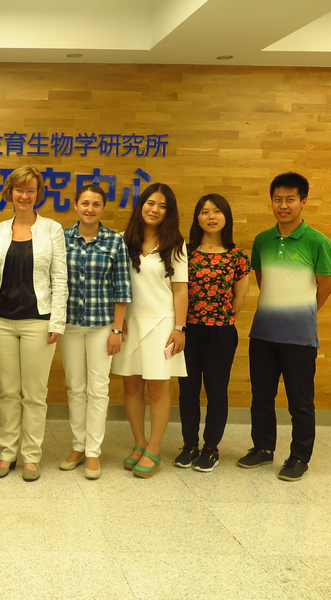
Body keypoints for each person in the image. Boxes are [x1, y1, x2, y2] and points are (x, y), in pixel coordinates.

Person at [237, 172, 331, 481]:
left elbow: (326, 287)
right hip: (263, 334)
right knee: (261, 397)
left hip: (299, 338)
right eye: (277, 199)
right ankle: (263, 448)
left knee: (300, 403)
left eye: (290, 199)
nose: (283, 205)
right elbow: (263, 281)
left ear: (303, 201)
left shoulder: (317, 241)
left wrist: (301, 313)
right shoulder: (262, 240)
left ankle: (299, 456)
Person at [0, 166, 67, 482]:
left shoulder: (52, 229)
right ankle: (7, 453)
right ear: (10, 193)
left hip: (38, 321)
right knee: (7, 392)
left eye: (31, 190)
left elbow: (59, 278)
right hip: (1, 320)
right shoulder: (1, 230)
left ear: (38, 194)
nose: (25, 196)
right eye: (19, 190)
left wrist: (57, 320)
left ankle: (30, 456)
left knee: (34, 394)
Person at [112, 182, 188, 478]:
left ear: (169, 212)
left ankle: (154, 448)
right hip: (129, 322)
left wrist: (179, 328)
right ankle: (139, 443)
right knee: (131, 385)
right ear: (141, 205)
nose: (154, 210)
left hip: (162, 323)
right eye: (150, 203)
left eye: (162, 206)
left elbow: (180, 290)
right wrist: (117, 320)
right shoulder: (123, 240)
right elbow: (114, 283)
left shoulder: (175, 244)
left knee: (157, 387)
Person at [59, 184, 132, 480]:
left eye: (96, 204)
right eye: (85, 203)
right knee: (75, 387)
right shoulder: (62, 238)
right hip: (69, 325)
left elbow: (122, 288)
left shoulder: (115, 241)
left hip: (102, 326)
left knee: (98, 388)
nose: (90, 209)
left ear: (103, 208)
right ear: (76, 206)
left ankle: (93, 452)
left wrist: (117, 329)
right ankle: (78, 446)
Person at [175, 194, 250, 472]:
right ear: (197, 218)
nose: (211, 217)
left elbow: (239, 297)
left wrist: (221, 317)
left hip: (221, 333)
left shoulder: (237, 256)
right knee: (188, 391)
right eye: (205, 211)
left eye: (217, 211)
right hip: (188, 331)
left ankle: (211, 448)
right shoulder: (184, 252)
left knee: (217, 392)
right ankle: (189, 445)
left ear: (226, 217)